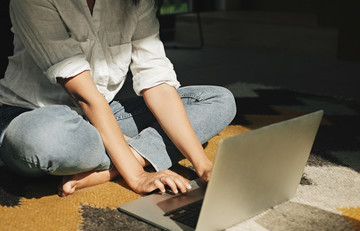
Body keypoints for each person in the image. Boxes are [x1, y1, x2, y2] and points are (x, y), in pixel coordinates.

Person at [0, 0, 236, 197]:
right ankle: (129, 156)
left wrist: (203, 166)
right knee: (39, 140)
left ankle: (114, 166)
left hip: (103, 116)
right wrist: (137, 176)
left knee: (218, 99)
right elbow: (84, 95)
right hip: (34, 116)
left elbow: (157, 83)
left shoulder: (136, 1)